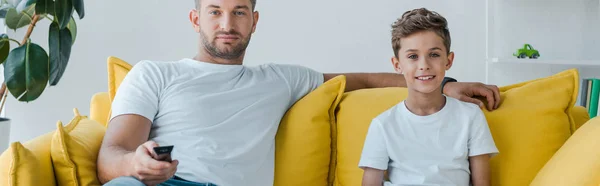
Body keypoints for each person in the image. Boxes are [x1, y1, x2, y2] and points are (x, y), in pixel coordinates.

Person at [97, 1, 501, 186]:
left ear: (254, 22)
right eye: (215, 11)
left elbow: (363, 81)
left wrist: (447, 85)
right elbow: (109, 157)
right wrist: (137, 163)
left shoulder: (279, 79)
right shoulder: (154, 74)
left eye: (239, 11)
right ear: (194, 18)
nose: (226, 22)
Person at [358, 8, 499, 186]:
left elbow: (482, 183)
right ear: (397, 65)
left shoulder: (470, 116)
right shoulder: (383, 125)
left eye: (433, 54)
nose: (424, 65)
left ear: (448, 60)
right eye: (413, 56)